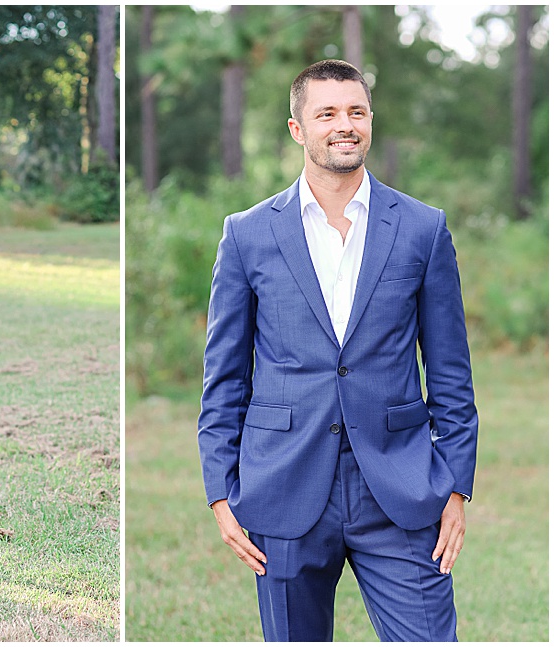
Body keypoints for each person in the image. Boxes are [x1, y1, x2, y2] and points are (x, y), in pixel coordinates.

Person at [197, 60, 478, 641]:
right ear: (298, 129)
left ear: (371, 120)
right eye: (326, 113)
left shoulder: (423, 229)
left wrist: (456, 484)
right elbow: (224, 378)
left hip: (400, 486)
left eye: (355, 111)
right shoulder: (247, 234)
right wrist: (221, 494)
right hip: (283, 488)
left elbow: (451, 373)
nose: (343, 125)